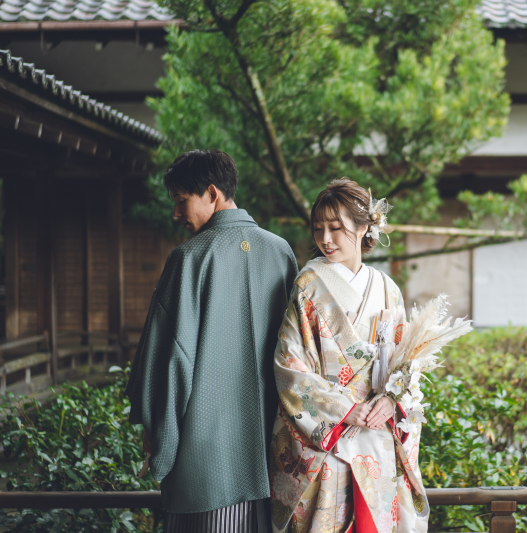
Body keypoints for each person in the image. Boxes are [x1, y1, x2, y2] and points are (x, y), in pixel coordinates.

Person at [126, 149, 298, 531]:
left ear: (211, 193)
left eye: (180, 200)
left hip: (207, 466)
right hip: (272, 462)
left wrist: (160, 444)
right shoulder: (281, 252)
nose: (176, 213)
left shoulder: (189, 259)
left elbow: (169, 363)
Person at [269, 178, 429, 533]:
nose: (325, 239)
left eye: (336, 228)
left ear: (363, 228)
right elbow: (289, 365)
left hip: (377, 432)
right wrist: (343, 411)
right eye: (318, 229)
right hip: (330, 437)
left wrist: (391, 399)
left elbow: (405, 361)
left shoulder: (387, 289)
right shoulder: (308, 283)